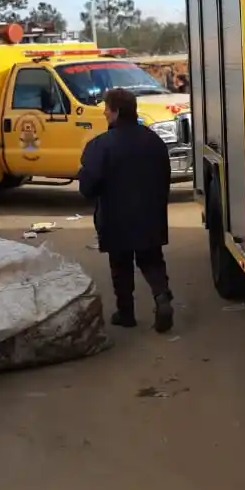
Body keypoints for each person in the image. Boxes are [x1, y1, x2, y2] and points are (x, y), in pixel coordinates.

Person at [77, 88, 174, 332]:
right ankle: (162, 297)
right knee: (152, 260)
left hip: (115, 217)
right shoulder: (154, 141)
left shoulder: (100, 146)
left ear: (117, 112)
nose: (104, 113)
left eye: (107, 109)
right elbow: (166, 178)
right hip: (150, 215)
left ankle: (126, 313)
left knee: (120, 266)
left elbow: (88, 187)